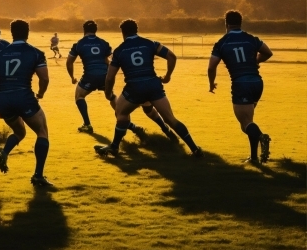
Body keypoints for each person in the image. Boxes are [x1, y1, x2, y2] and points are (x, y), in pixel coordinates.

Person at [95, 19, 202, 158]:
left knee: (121, 114)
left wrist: (108, 94)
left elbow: (109, 77)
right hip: (153, 85)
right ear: (136, 30)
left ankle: (115, 147)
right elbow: (171, 56)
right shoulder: (150, 43)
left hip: (134, 88)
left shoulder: (119, 50)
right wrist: (168, 76)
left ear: (123, 33)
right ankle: (195, 149)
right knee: (170, 119)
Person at [66, 19, 173, 140]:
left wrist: (72, 77)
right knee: (114, 99)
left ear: (84, 30)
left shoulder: (79, 44)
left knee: (79, 96)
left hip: (89, 76)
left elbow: (69, 62)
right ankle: (139, 127)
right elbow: (110, 61)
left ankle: (88, 124)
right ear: (96, 30)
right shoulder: (104, 43)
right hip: (106, 76)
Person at [0, 19, 54, 188]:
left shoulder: (0, 54)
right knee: (42, 132)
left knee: (19, 132)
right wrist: (40, 94)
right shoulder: (35, 53)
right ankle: (38, 175)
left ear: (12, 33)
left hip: (3, 100)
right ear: (27, 33)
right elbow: (44, 78)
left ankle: (5, 152)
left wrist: (1, 80)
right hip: (23, 96)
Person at [208, 10, 272, 164]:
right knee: (249, 122)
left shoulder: (222, 42)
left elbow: (211, 67)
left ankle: (262, 137)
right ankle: (254, 158)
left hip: (241, 84)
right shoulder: (251, 39)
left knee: (245, 124)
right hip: (257, 82)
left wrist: (211, 83)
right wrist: (256, 61)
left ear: (226, 23)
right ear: (241, 23)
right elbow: (267, 52)